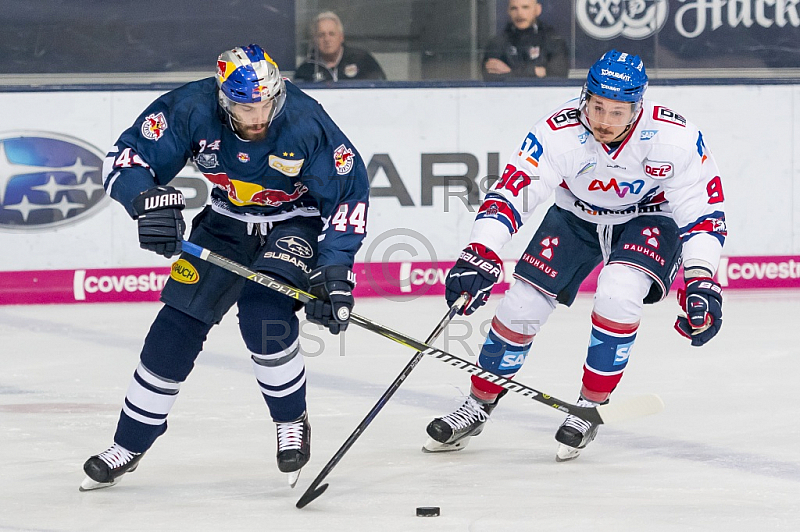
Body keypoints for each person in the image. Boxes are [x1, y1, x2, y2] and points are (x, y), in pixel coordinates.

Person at [80, 44, 370, 490]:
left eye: (265, 104)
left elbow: (349, 192)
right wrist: (144, 201)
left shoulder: (305, 121)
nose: (257, 117)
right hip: (224, 222)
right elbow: (125, 159)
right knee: (174, 327)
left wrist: (333, 271)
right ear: (223, 99)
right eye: (244, 107)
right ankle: (130, 443)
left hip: (294, 224)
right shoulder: (191, 107)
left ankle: (291, 420)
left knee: (263, 314)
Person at [424, 50, 726, 461]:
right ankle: (478, 404)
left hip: (649, 218)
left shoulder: (674, 137)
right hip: (574, 217)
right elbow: (514, 190)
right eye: (596, 106)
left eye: (617, 112)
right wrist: (480, 250)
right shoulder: (558, 131)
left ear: (639, 108)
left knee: (618, 292)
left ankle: (587, 406)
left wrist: (702, 278)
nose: (603, 120)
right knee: (520, 304)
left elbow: (702, 211)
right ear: (584, 96)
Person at [483, 0, 568, 81]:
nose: (519, 14)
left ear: (537, 10)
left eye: (525, 7)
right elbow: (490, 77)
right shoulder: (497, 43)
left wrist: (510, 72)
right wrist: (536, 71)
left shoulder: (553, 40)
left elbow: (558, 74)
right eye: (514, 8)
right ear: (508, 11)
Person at [294, 11, 386, 83]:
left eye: (332, 34)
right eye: (321, 35)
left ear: (341, 37)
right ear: (314, 40)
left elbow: (381, 90)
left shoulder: (363, 60)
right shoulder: (305, 70)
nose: (327, 39)